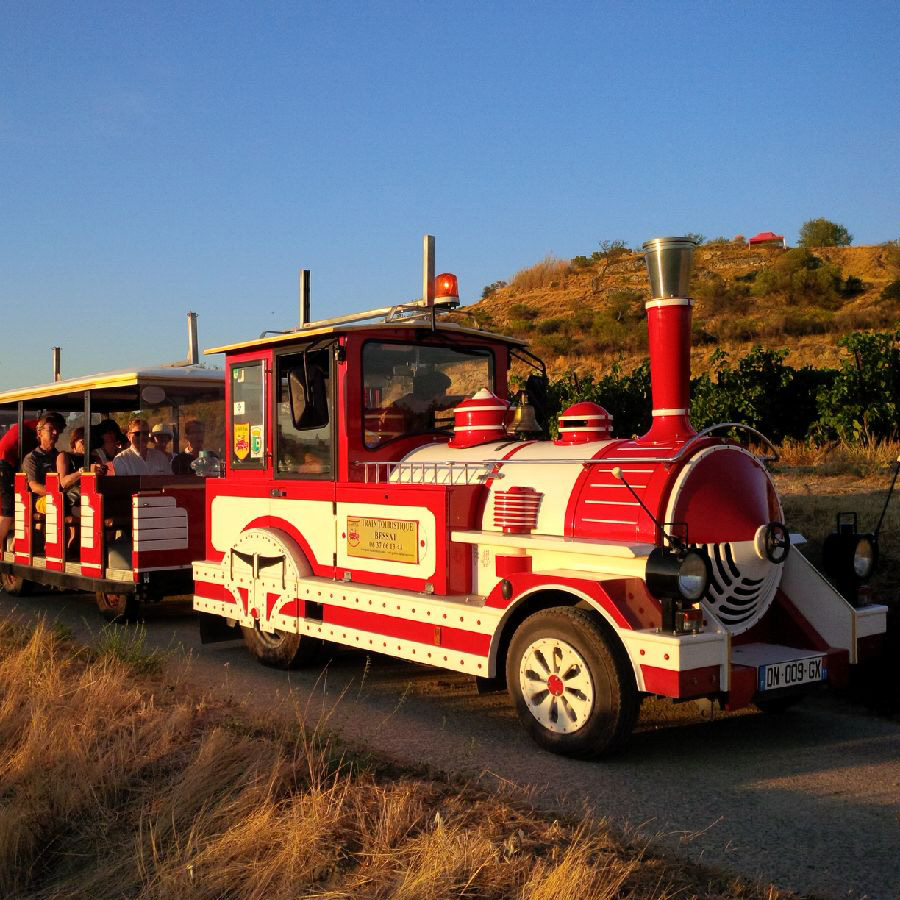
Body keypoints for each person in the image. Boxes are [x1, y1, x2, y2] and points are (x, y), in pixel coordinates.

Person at [0, 412, 65, 548]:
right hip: (5, 461)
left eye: (58, 430)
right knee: (8, 510)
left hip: (11, 462)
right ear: (40, 431)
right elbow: (33, 483)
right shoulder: (34, 442)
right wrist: (56, 492)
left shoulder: (56, 454)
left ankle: (22, 539)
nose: (56, 433)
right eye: (53, 429)